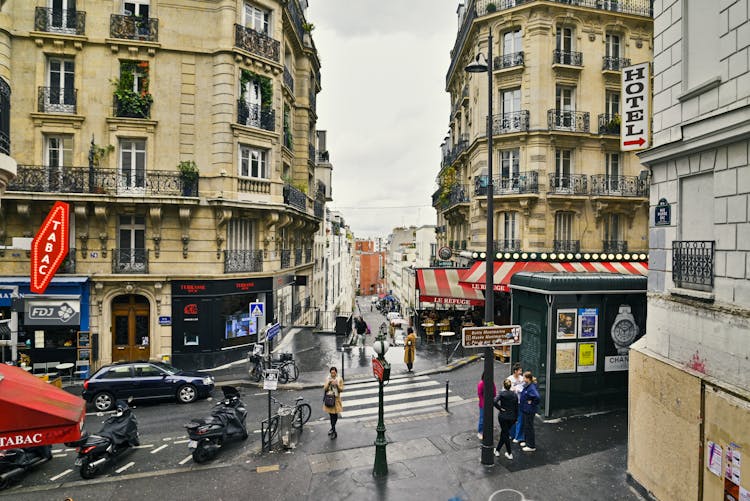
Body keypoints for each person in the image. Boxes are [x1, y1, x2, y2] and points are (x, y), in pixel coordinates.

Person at [493, 378, 518, 459]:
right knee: (505, 433)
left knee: (505, 434)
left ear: (504, 385)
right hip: (512, 417)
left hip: (503, 416)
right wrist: (516, 417)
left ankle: (509, 453)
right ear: (510, 386)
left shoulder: (501, 393)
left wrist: (500, 408)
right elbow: (516, 407)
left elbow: (494, 402)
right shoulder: (514, 394)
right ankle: (497, 450)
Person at [520, 371, 540, 452]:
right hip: (525, 409)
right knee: (526, 425)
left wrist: (532, 403)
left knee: (529, 427)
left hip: (529, 410)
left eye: (524, 377)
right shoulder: (528, 385)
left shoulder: (531, 387)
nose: (523, 378)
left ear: (528, 379)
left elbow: (537, 397)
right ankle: (526, 441)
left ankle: (531, 446)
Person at [506, 363, 525, 445]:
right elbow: (506, 389)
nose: (521, 372)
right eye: (520, 370)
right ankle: (512, 434)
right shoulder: (509, 379)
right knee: (512, 419)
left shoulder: (522, 378)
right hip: (512, 402)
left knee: (520, 419)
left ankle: (518, 436)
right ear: (515, 371)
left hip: (520, 401)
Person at [322, 366, 344, 439]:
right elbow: (324, 388)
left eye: (334, 373)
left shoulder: (340, 379)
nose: (333, 374)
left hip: (336, 400)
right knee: (331, 416)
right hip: (330, 399)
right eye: (331, 373)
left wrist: (337, 385)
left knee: (335, 416)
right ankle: (334, 430)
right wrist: (329, 383)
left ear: (336, 373)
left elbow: (341, 389)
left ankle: (333, 428)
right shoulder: (328, 379)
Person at [476, 372, 497, 440]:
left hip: (486, 403)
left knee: (485, 418)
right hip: (485, 404)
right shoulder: (483, 383)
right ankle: (480, 432)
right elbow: (494, 393)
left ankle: (483, 431)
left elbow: (493, 392)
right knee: (483, 418)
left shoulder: (482, 383)